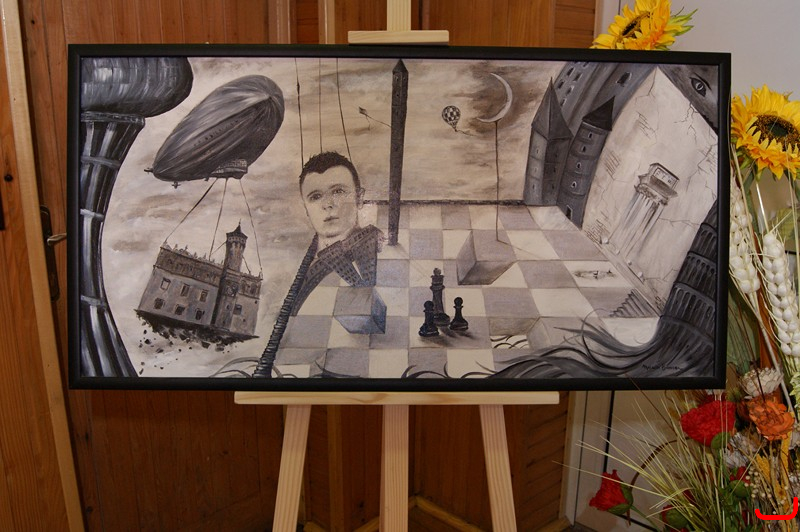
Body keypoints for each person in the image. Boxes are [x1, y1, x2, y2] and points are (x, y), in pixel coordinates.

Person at [252, 152, 383, 378]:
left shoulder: (373, 253)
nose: (328, 205)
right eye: (315, 197)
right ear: (306, 207)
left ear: (359, 198)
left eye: (338, 191)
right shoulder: (302, 262)